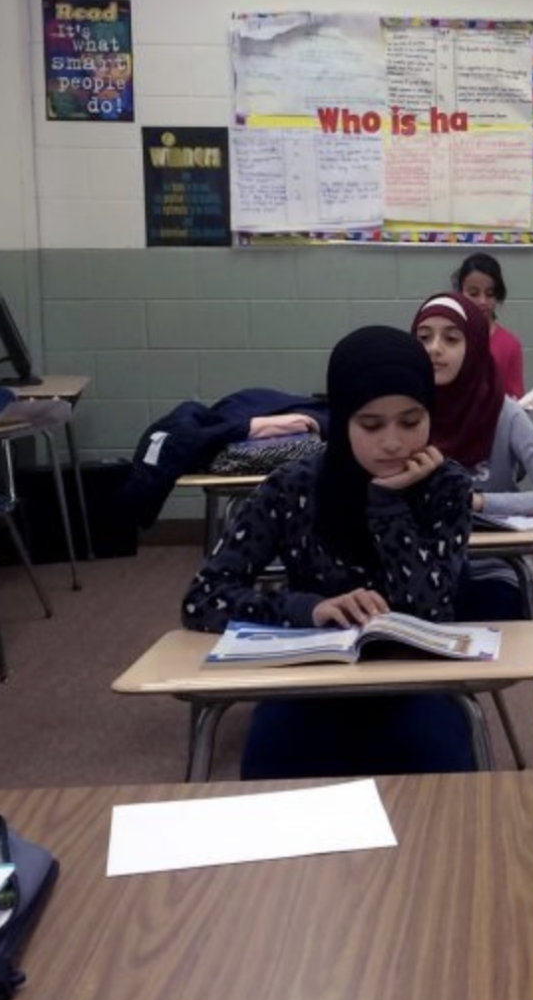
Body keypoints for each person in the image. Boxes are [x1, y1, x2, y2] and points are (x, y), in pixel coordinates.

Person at [181, 327, 479, 779]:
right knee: (277, 749)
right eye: (371, 425)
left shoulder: (447, 486)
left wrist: (387, 504)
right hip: (311, 677)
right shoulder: (293, 487)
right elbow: (203, 598)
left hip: (413, 680)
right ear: (342, 420)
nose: (393, 442)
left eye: (411, 421)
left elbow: (430, 608)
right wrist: (309, 609)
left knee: (433, 748)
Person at [413, 293, 533, 620]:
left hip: (493, 565)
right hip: (415, 567)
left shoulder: (504, 412)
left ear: (475, 346)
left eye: (451, 339)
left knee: (492, 618)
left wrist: (479, 502)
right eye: (423, 338)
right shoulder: (403, 411)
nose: (434, 348)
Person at [454, 254, 525, 400]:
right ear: (460, 293)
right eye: (473, 293)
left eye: (490, 294)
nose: (482, 301)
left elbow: (516, 398)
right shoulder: (448, 336)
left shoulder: (509, 344)